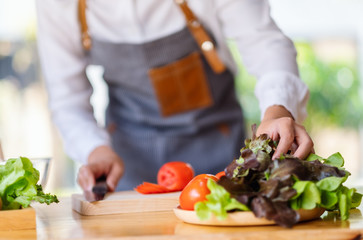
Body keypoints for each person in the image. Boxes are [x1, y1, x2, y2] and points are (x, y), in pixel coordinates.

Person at [35, 0, 313, 193]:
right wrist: (95, 149)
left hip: (218, 154)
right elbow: (67, 100)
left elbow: (266, 44)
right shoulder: (59, 5)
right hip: (127, 163)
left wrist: (278, 110)